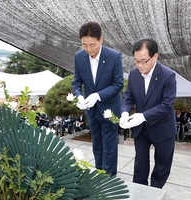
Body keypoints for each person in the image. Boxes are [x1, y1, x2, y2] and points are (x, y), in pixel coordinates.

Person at [120, 38, 177, 189]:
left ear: (155, 57)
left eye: (144, 61)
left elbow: (166, 105)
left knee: (162, 165)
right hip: (141, 130)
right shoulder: (133, 74)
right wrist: (124, 112)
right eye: (136, 61)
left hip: (163, 128)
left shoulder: (168, 75)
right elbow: (128, 96)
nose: (139, 65)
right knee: (140, 164)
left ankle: (155, 192)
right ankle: (140, 192)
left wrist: (143, 116)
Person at [72, 21, 123, 175]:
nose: (88, 49)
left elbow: (118, 84)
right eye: (84, 45)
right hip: (91, 110)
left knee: (110, 146)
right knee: (97, 145)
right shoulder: (79, 57)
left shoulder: (114, 56)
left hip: (110, 110)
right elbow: (76, 83)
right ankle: (99, 175)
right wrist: (79, 97)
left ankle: (109, 178)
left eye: (92, 45)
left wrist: (97, 96)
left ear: (101, 40)